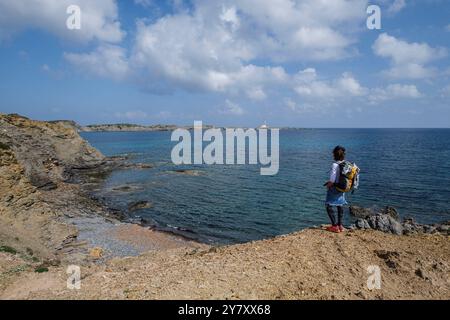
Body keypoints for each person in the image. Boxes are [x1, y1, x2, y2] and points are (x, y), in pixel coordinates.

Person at [324, 146, 348, 233]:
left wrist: (328, 184)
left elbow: (332, 180)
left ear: (334, 155)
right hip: (342, 187)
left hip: (335, 187)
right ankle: (340, 225)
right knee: (340, 204)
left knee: (328, 205)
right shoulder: (345, 164)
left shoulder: (335, 165)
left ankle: (334, 226)